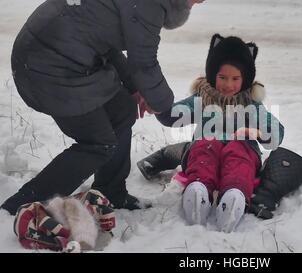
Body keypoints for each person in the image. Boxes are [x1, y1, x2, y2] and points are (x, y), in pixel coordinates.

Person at [0, 0, 205, 216]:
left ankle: (110, 192)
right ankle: (22, 205)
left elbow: (106, 42)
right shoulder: (149, 4)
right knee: (98, 143)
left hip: (64, 55)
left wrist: (135, 87)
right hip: (47, 66)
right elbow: (144, 62)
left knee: (123, 110)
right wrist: (164, 108)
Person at [154, 34, 285, 232]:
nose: (228, 85)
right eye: (222, 77)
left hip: (242, 146)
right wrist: (155, 101)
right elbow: (172, 115)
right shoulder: (203, 99)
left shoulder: (252, 105)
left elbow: (276, 133)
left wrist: (258, 132)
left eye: (235, 78)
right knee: (206, 148)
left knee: (239, 153)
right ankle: (198, 192)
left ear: (246, 79)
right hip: (206, 144)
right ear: (212, 74)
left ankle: (234, 195)